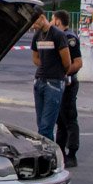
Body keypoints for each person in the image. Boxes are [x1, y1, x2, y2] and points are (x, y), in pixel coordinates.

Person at [30, 8, 71, 139]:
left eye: (35, 22)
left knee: (46, 127)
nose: (33, 26)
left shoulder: (58, 35)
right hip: (40, 81)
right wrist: (44, 65)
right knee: (41, 123)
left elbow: (67, 62)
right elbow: (35, 58)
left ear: (42, 18)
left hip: (54, 82)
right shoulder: (37, 36)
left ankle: (47, 155)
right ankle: (47, 154)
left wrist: (56, 70)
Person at [52, 10, 82, 168]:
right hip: (57, 83)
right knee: (60, 120)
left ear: (57, 21)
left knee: (69, 118)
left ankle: (72, 153)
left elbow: (77, 62)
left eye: (52, 20)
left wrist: (64, 72)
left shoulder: (69, 37)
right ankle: (61, 151)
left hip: (68, 83)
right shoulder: (56, 36)